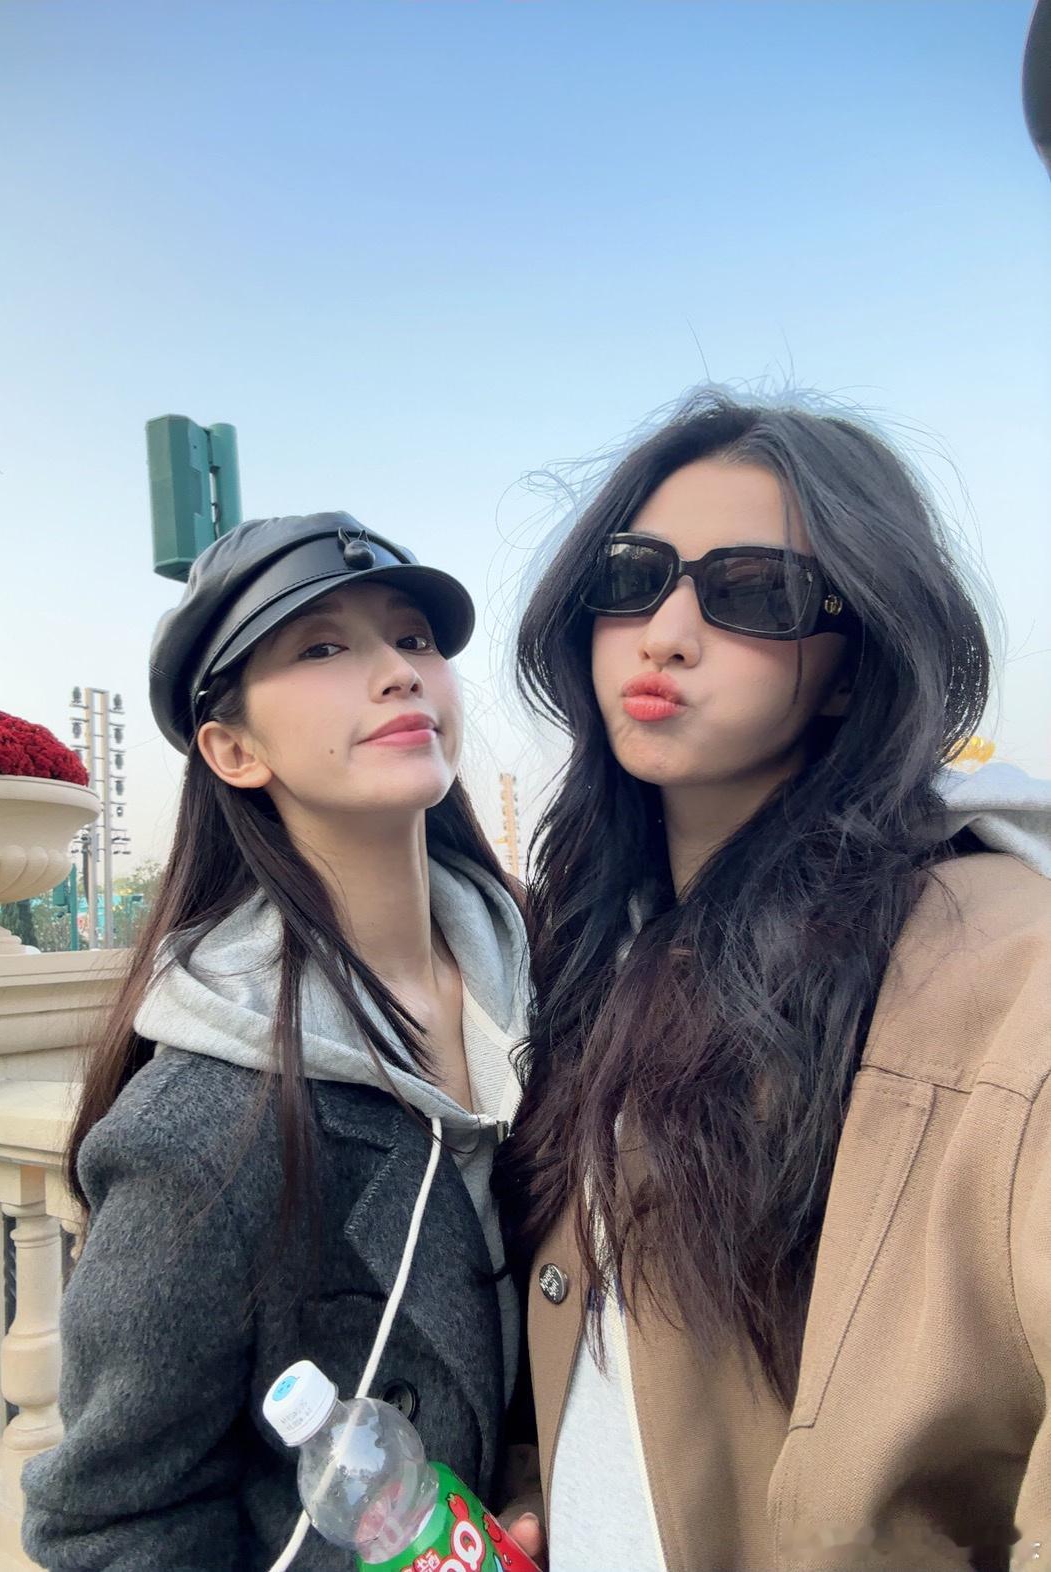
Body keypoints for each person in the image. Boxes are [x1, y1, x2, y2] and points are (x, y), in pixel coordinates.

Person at [493, 392, 1051, 1571]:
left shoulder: (1001, 969)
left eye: (754, 593)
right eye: (631, 577)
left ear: (853, 668)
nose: (664, 632)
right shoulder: (586, 951)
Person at [22, 513, 529, 1571]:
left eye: (414, 639)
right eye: (324, 647)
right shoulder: (203, 1128)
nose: (398, 672)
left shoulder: (553, 986)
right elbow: (108, 1525)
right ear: (234, 749)